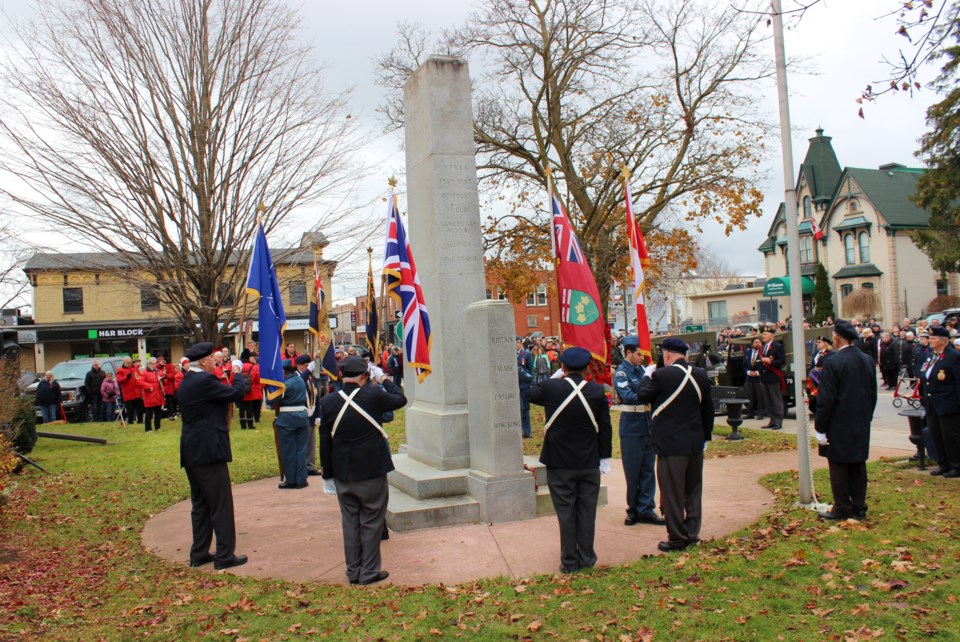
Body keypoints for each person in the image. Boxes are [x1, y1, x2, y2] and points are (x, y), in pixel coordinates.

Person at [319, 356, 407, 585]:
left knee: (350, 522)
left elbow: (325, 442)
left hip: (342, 472)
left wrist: (327, 475)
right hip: (371, 469)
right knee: (371, 520)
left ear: (341, 376)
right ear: (365, 376)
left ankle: (353, 570)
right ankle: (368, 571)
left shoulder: (328, 402)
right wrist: (385, 379)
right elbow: (400, 398)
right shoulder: (374, 395)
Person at [527, 348, 613, 573]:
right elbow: (605, 428)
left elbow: (529, 393)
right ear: (586, 369)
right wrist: (604, 458)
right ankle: (586, 557)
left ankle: (569, 561)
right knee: (587, 511)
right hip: (588, 461)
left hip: (560, 461)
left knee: (566, 513)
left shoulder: (550, 388)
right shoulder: (597, 391)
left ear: (562, 368)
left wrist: (551, 378)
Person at [635, 337, 713, 552]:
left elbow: (642, 396)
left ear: (667, 354)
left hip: (671, 444)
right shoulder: (700, 374)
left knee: (672, 493)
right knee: (693, 490)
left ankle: (677, 538)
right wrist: (705, 437)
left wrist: (646, 376)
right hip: (695, 442)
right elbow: (708, 409)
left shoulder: (661, 375)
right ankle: (692, 533)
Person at [177, 342, 248, 570]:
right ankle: (225, 555)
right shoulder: (204, 380)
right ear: (204, 361)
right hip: (208, 449)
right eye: (212, 359)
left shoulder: (187, 380)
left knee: (201, 505)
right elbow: (236, 393)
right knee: (220, 504)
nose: (216, 362)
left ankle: (199, 553)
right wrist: (237, 372)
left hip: (191, 449)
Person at [814, 320, 878, 520]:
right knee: (858, 464)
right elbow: (872, 393)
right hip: (860, 420)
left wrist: (820, 428)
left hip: (839, 422)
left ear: (836, 337)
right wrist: (866, 417)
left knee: (839, 466)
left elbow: (826, 399)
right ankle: (859, 506)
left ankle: (843, 507)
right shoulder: (867, 359)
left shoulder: (833, 362)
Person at [614, 336, 665, 527]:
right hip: (632, 425)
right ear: (628, 353)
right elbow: (628, 396)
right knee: (632, 470)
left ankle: (646, 508)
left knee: (647, 469)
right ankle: (632, 509)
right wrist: (647, 392)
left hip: (647, 422)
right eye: (639, 354)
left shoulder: (642, 370)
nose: (642, 358)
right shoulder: (621, 373)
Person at [921, 326, 960, 478]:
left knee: (951, 437)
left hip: (948, 404)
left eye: (933, 338)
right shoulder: (932, 356)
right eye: (929, 338)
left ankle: (956, 465)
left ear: (944, 340)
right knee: (935, 434)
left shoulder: (954, 356)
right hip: (932, 404)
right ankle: (943, 464)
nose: (930, 341)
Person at [276, 358, 310, 489]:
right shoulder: (300, 380)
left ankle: (290, 480)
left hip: (287, 419)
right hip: (302, 417)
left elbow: (271, 400)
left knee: (288, 450)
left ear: (284, 372)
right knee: (301, 450)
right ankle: (301, 479)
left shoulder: (285, 384)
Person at [295, 354, 323, 478]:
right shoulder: (297, 377)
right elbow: (299, 382)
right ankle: (303, 466)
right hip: (301, 413)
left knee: (312, 442)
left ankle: (310, 466)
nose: (309, 368)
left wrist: (318, 414)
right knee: (303, 443)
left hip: (311, 413)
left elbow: (316, 395)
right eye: (306, 366)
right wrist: (308, 370)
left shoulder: (310, 378)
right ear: (299, 366)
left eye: (309, 366)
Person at [758, 329, 786, 430]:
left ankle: (778, 421)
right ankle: (772, 420)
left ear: (772, 336)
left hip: (773, 376)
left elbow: (782, 361)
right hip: (765, 377)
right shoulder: (763, 347)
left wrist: (770, 362)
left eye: (765, 334)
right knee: (768, 401)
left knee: (776, 400)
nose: (763, 335)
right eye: (763, 334)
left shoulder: (777, 346)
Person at [806, 335, 834, 417]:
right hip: (814, 381)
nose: (817, 344)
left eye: (819, 342)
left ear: (825, 343)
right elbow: (813, 366)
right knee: (813, 400)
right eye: (817, 342)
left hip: (824, 380)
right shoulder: (816, 354)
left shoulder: (831, 353)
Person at [140, 357, 165, 432]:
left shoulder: (157, 371)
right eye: (153, 364)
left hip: (158, 395)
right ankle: (148, 428)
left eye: (155, 363)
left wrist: (163, 377)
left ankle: (158, 427)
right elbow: (139, 381)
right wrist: (148, 386)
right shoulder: (144, 372)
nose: (155, 365)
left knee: (158, 412)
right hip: (150, 396)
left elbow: (163, 376)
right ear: (149, 364)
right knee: (149, 413)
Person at [742, 338, 766, 420]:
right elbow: (744, 365)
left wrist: (757, 372)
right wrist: (748, 372)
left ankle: (761, 413)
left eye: (759, 342)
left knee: (760, 396)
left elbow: (764, 364)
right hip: (749, 378)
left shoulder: (763, 353)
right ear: (752, 344)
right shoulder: (748, 353)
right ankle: (750, 413)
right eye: (755, 342)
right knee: (750, 396)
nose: (757, 344)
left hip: (759, 378)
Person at [116, 357, 143, 424]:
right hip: (128, 393)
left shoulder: (135, 368)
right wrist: (126, 377)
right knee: (130, 408)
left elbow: (139, 376)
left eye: (130, 362)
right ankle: (130, 421)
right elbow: (118, 380)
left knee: (139, 407)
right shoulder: (120, 370)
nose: (130, 364)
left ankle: (140, 420)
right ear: (124, 362)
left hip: (137, 392)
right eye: (128, 363)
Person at [517, 340, 535, 438]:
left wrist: (532, 383)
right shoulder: (510, 354)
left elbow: (531, 369)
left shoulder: (526, 354)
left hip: (524, 385)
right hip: (514, 386)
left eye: (517, 342)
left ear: (520, 343)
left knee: (524, 409)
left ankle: (527, 431)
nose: (515, 345)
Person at [238, 356, 261, 430]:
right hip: (251, 390)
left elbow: (233, 378)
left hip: (240, 390)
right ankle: (250, 425)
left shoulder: (238, 367)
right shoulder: (254, 367)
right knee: (249, 408)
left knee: (241, 409)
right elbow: (258, 379)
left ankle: (242, 425)